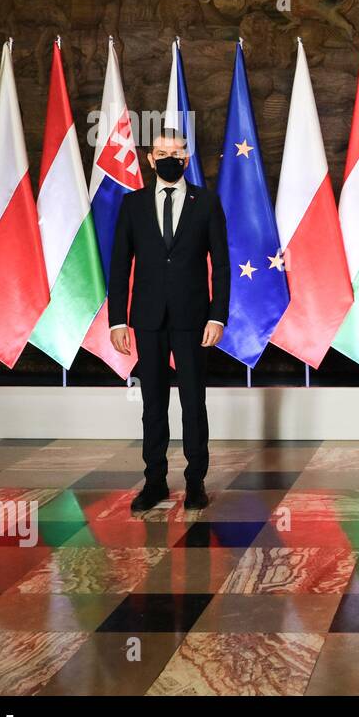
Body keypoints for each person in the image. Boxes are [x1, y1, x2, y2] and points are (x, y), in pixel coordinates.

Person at [109, 131, 230, 513]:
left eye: (176, 153)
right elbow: (118, 267)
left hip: (194, 318)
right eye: (162, 153)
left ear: (187, 158)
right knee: (153, 402)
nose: (169, 158)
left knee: (194, 401)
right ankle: (155, 481)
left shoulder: (207, 202)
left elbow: (222, 267)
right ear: (149, 159)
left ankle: (196, 482)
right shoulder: (132, 205)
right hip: (146, 318)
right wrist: (116, 321)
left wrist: (218, 316)